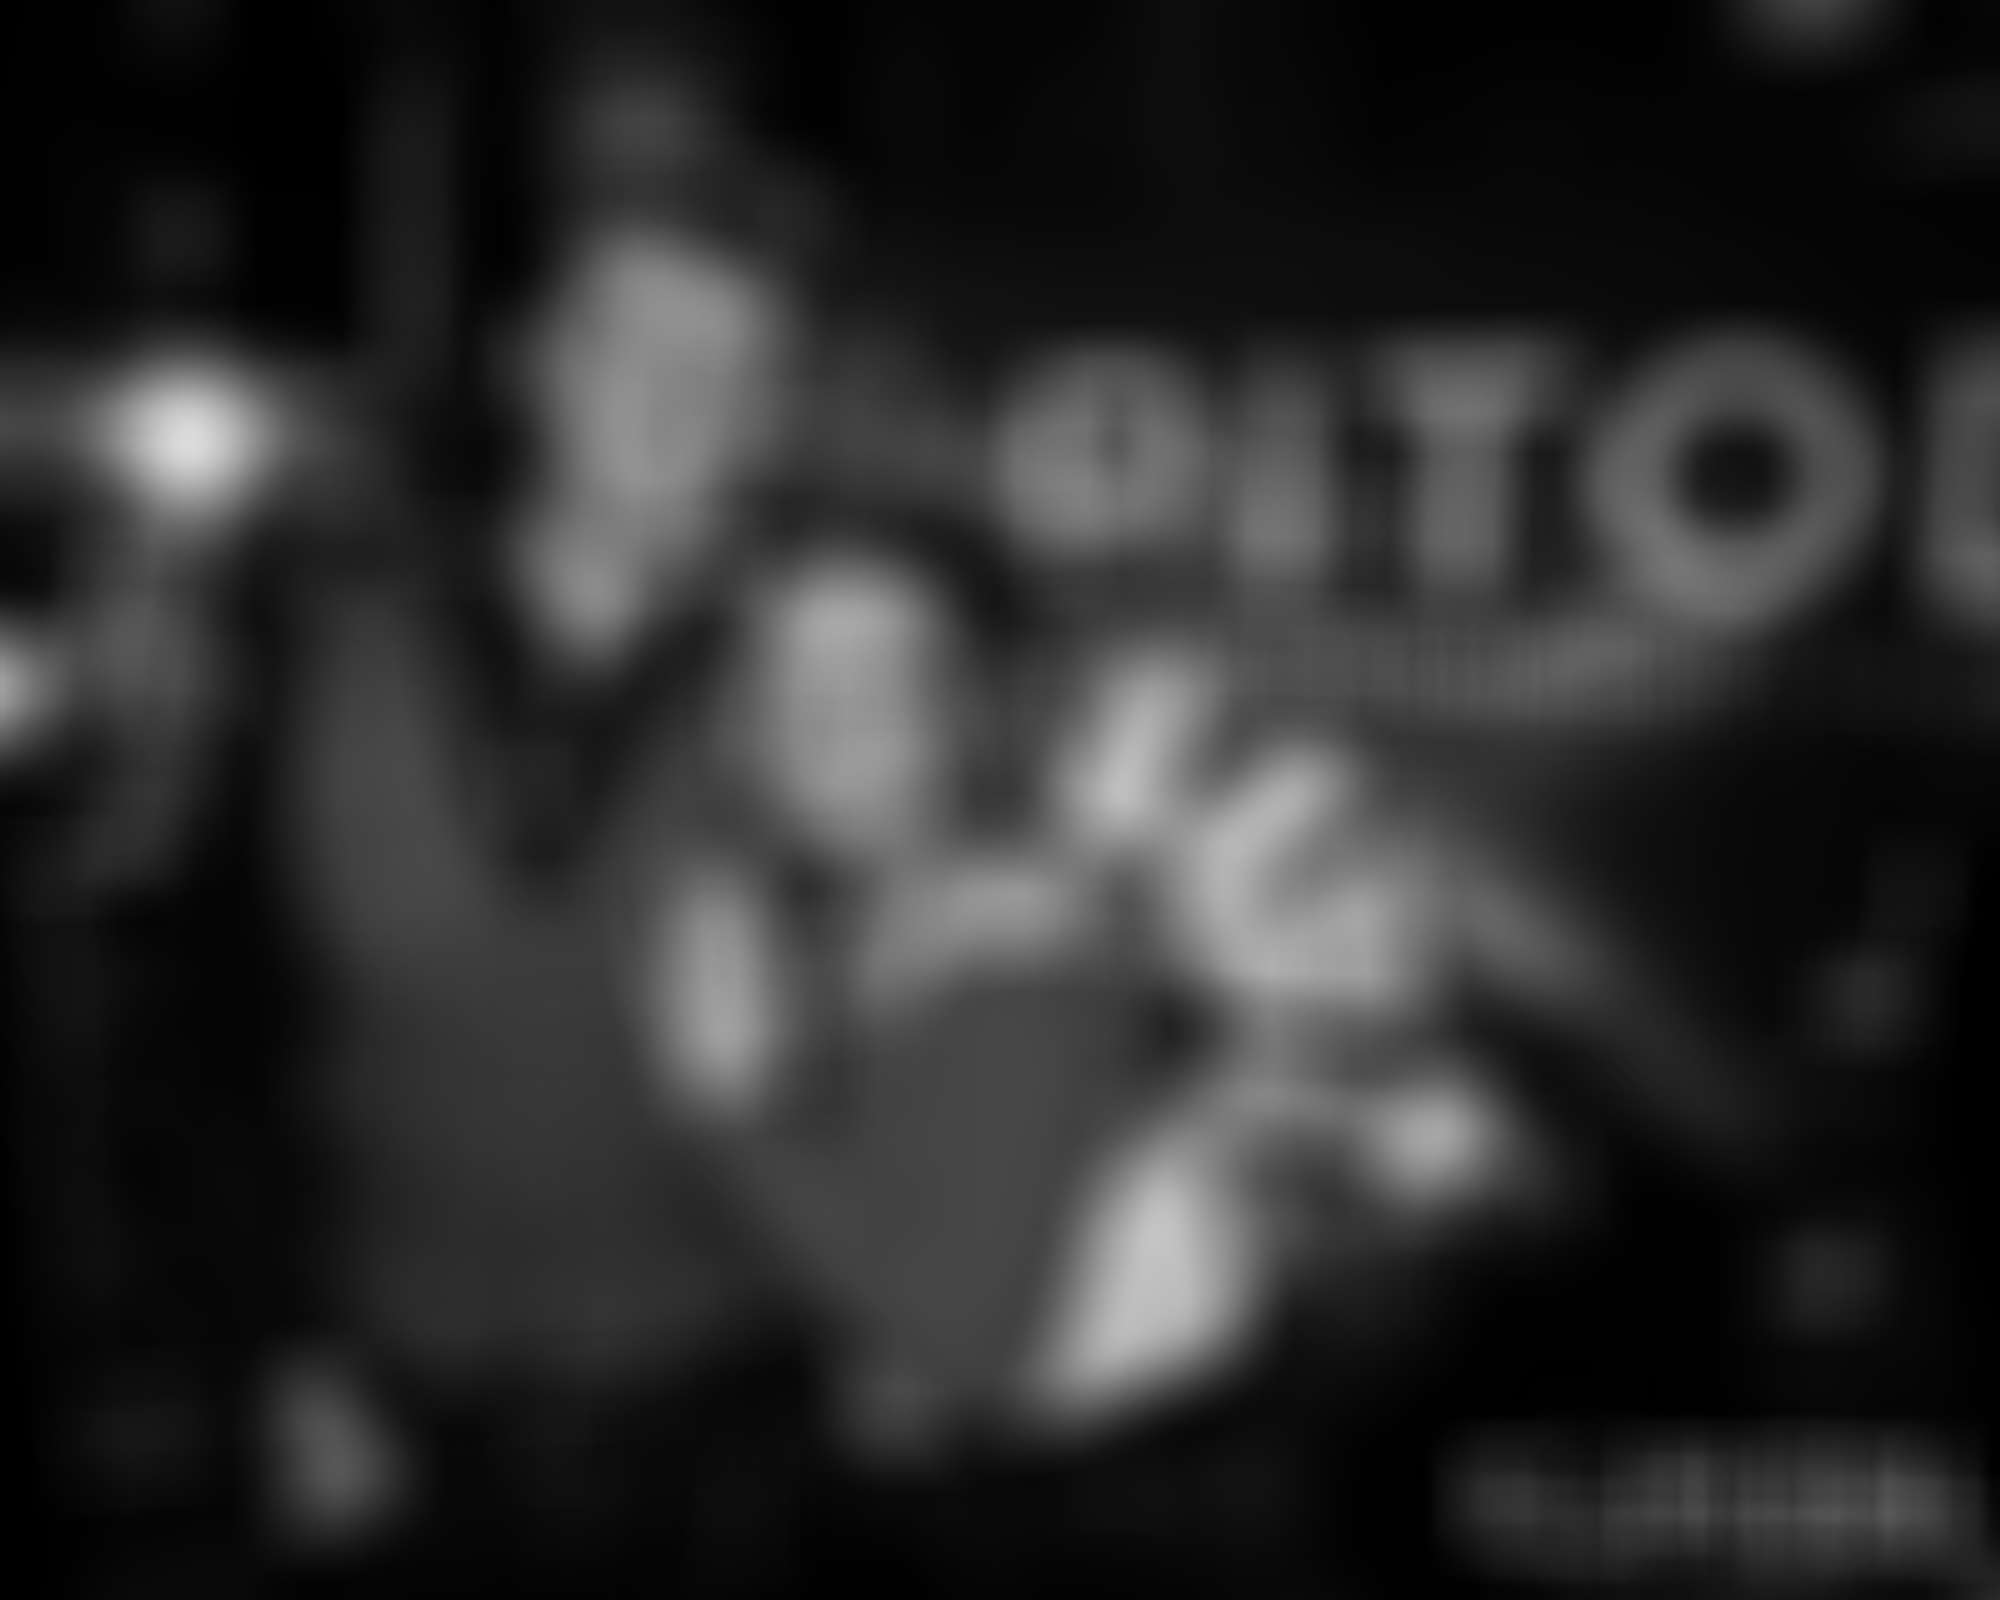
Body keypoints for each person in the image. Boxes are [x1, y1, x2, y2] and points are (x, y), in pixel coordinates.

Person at [90, 37, 831, 1598]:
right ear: (533, 363)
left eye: (739, 371)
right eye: (640, 350)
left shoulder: (829, 687)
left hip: (733, 1430)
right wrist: (278, 1353)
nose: (687, 406)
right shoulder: (314, 651)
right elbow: (196, 1047)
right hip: (390, 1416)